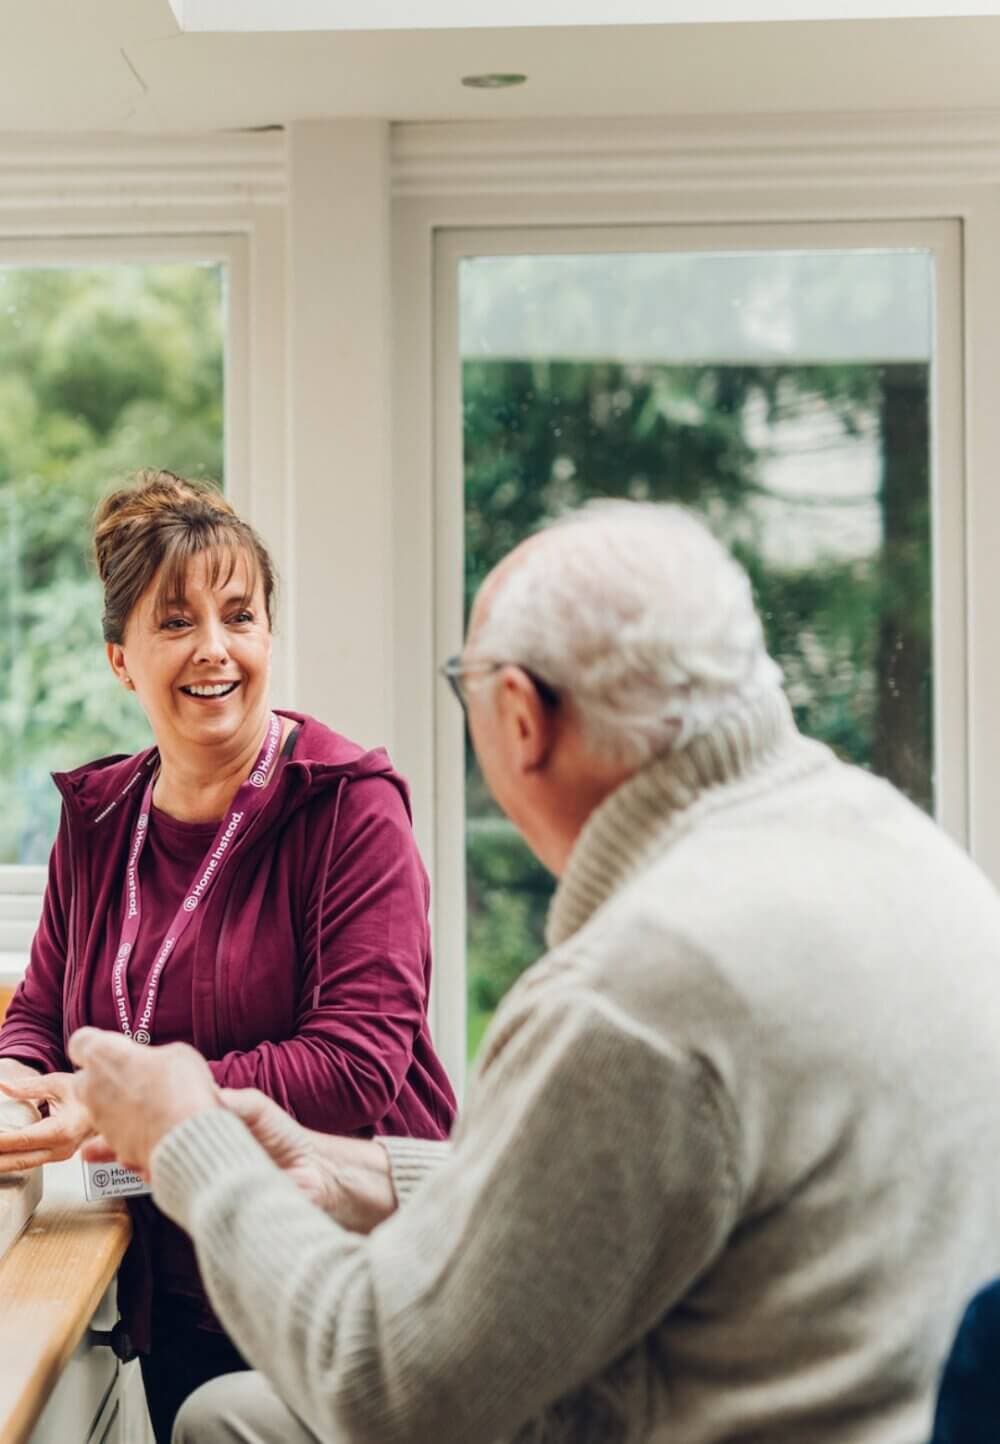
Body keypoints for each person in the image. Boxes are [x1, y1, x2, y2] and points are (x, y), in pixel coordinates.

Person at [70, 499, 1000, 1444]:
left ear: (518, 715)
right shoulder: (910, 851)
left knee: (221, 1423)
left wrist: (194, 1144)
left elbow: (383, 1384)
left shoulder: (636, 995)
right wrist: (360, 1172)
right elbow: (624, 1188)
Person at [0, 472, 455, 1444]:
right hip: (168, 1277)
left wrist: (136, 1106)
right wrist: (18, 1079)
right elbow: (42, 1010)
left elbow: (353, 1069)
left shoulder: (347, 807)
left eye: (238, 615)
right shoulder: (99, 817)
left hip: (339, 1269)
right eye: (176, 621)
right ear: (123, 660)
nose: (215, 648)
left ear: (267, 638)